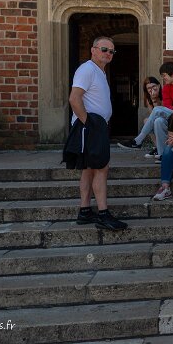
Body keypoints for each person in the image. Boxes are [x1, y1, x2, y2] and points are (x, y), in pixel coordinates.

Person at [65, 36, 127, 231]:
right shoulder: (88, 69)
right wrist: (89, 125)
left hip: (94, 125)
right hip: (90, 126)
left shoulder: (99, 71)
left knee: (89, 168)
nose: (108, 53)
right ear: (93, 50)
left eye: (111, 51)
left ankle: (84, 211)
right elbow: (74, 99)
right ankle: (103, 214)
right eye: (104, 49)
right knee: (102, 167)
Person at [117, 76, 169, 157]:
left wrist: (157, 100)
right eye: (149, 88)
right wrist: (153, 100)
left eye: (153, 86)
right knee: (146, 120)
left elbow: (163, 111)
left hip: (167, 119)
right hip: (157, 120)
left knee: (156, 120)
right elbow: (153, 115)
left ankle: (138, 141)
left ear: (158, 85)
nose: (152, 89)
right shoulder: (149, 99)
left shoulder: (165, 93)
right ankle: (157, 147)